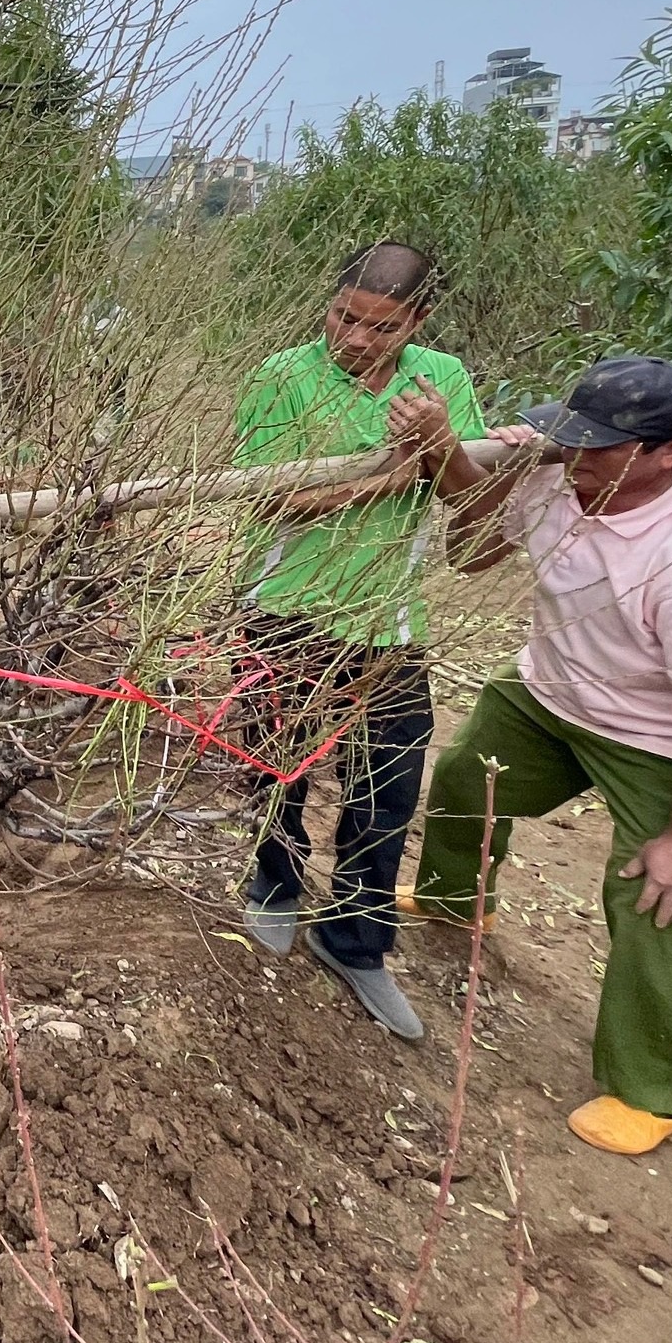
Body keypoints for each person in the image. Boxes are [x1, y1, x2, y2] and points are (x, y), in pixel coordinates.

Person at [395, 355, 672, 1156]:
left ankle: (652, 1091)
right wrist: (454, 456)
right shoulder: (559, 469)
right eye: (572, 436)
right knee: (464, 779)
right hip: (554, 692)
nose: (579, 455)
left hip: (666, 738)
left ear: (671, 451)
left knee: (655, 897)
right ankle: (455, 902)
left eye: (603, 445)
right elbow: (473, 551)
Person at [230, 241, 484, 1041]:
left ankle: (357, 944)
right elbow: (269, 501)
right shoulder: (282, 376)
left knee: (386, 798)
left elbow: (473, 514)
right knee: (277, 769)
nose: (356, 339)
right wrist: (388, 477)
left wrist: (440, 446)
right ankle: (274, 887)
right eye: (345, 317)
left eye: (382, 326)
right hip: (283, 611)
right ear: (329, 301)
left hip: (389, 626)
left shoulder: (443, 384)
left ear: (418, 320)